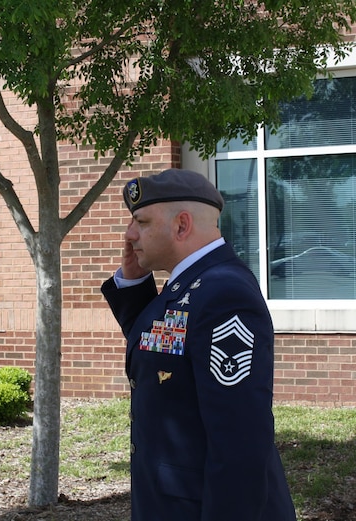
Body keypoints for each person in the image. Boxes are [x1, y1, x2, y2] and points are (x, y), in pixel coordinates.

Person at [101, 168, 296, 520]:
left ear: (181, 225)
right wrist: (134, 285)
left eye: (141, 222)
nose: (130, 235)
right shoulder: (193, 284)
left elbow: (239, 446)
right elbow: (161, 356)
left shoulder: (224, 293)